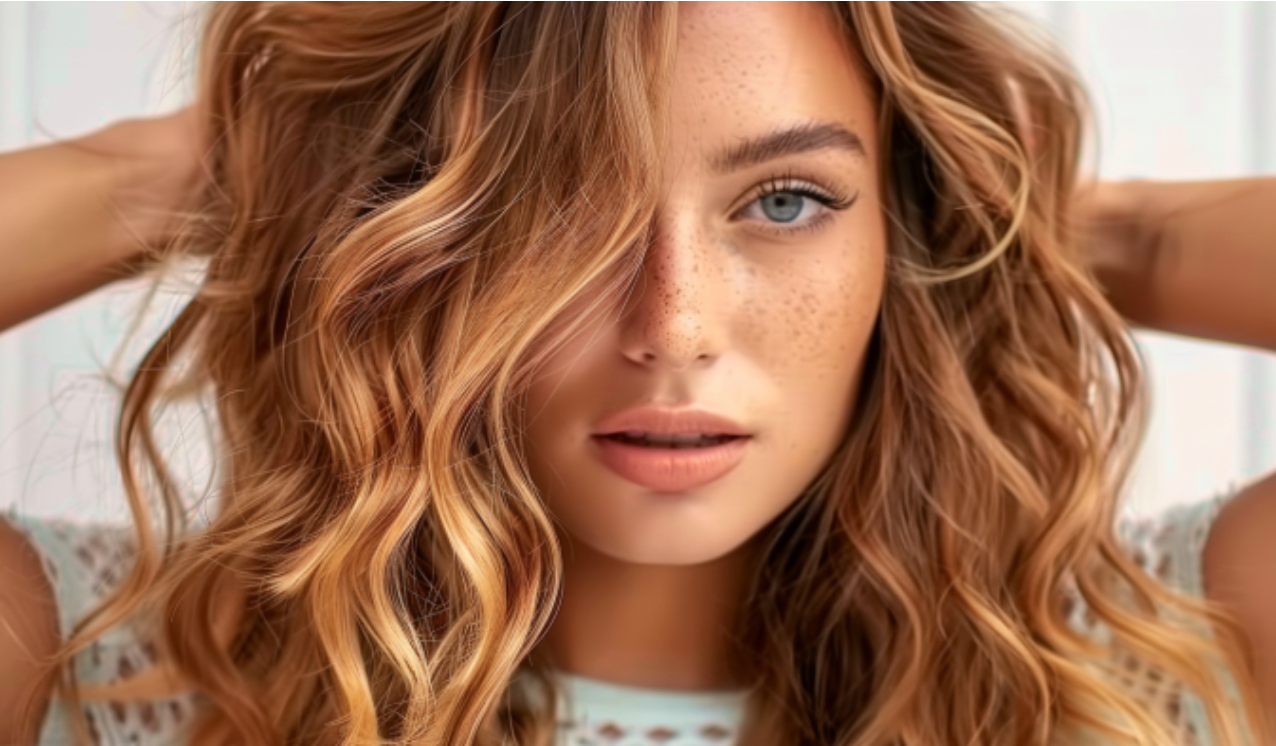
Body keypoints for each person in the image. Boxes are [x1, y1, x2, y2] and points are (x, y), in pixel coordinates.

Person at [1, 2, 1275, 745]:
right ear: (407, 232)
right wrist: (199, 172)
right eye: (558, 205)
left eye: (785, 199)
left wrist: (1047, 230)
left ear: (904, 228)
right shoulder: (98, 665)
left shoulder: (1156, 658)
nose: (674, 324)